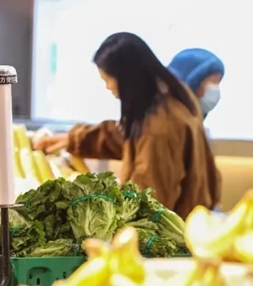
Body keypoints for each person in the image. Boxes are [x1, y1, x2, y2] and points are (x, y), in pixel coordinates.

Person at [35, 32, 221, 218]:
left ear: (128, 78)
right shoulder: (168, 100)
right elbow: (127, 136)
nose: (108, 87)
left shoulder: (160, 126)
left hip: (174, 234)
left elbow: (149, 200)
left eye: (108, 80)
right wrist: (74, 139)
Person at [167, 48, 224, 118]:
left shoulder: (194, 126)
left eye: (218, 83)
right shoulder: (161, 118)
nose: (215, 90)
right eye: (213, 82)